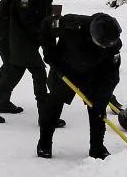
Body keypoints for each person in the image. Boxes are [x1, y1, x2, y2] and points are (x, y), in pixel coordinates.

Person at [37, 12, 121, 161]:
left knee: (98, 110)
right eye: (102, 44)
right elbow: (46, 24)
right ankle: (44, 143)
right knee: (53, 106)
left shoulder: (112, 43)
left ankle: (97, 148)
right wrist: (49, 53)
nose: (106, 47)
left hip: (92, 74)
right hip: (65, 70)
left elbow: (112, 75)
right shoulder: (72, 24)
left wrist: (102, 97)